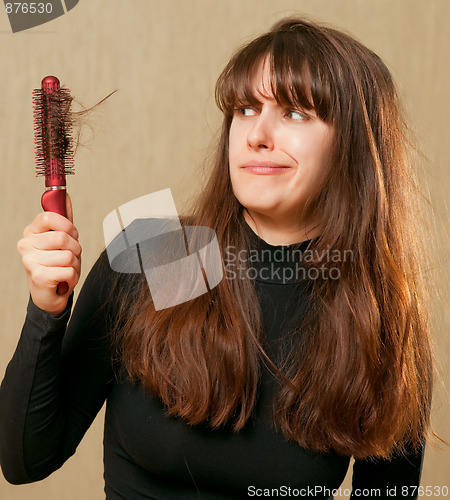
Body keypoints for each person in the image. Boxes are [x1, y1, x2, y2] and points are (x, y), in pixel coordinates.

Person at [0, 17, 435, 499]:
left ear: (354, 144)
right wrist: (46, 311)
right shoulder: (157, 252)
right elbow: (24, 461)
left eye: (294, 114)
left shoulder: (383, 319)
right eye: (246, 109)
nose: (257, 134)